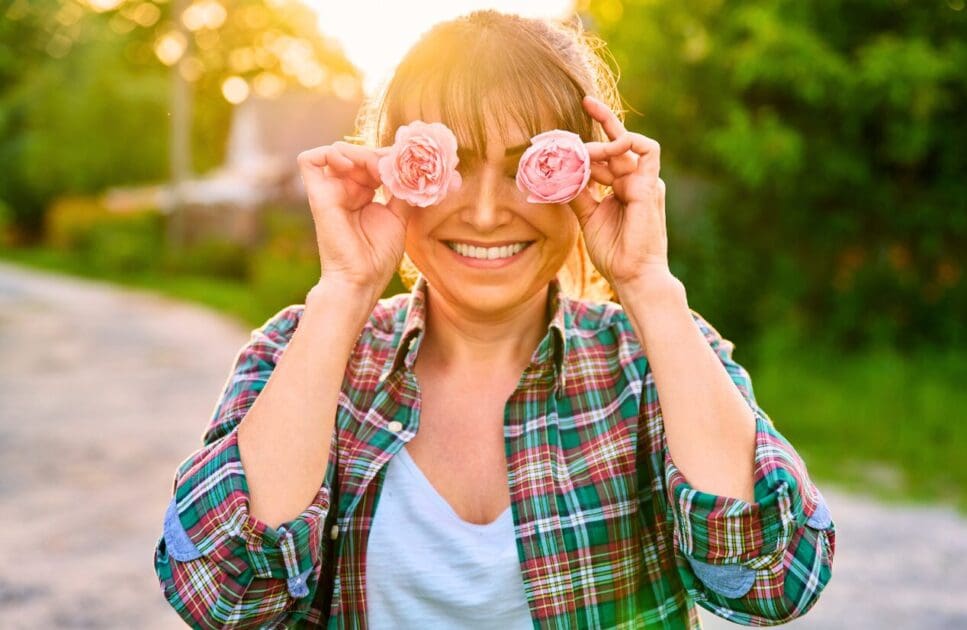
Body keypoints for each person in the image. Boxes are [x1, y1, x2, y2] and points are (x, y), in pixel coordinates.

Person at [153, 10, 834, 629]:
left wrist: (647, 284)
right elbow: (224, 597)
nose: (483, 213)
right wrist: (345, 290)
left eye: (524, 168)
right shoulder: (300, 352)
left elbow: (771, 579)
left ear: (587, 177)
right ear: (387, 168)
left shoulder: (650, 364)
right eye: (452, 165)